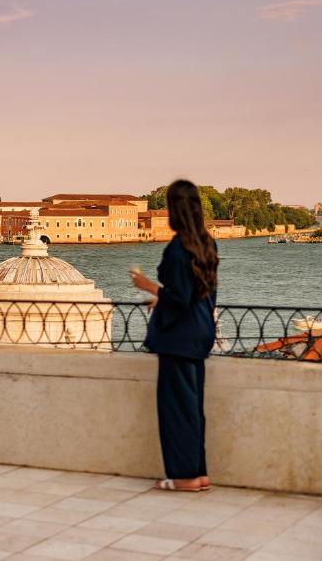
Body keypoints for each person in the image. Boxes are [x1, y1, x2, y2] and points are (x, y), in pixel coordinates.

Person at [129, 180, 218, 492]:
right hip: (200, 331)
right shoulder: (207, 243)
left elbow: (179, 297)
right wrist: (164, 299)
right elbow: (198, 293)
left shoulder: (178, 248)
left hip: (178, 337)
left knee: (176, 409)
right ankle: (199, 473)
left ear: (174, 210)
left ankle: (184, 477)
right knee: (193, 408)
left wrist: (148, 286)